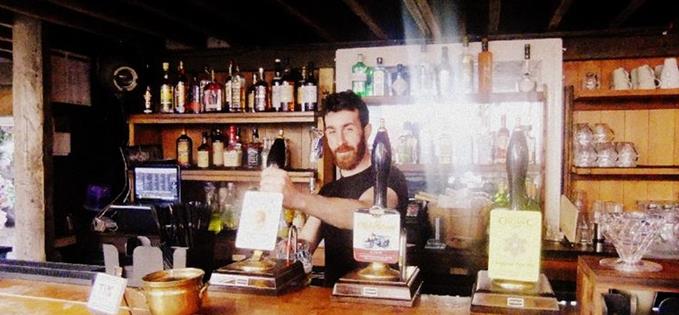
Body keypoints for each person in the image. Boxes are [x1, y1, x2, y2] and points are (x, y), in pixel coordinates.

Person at [260, 90, 409, 286]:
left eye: (348, 129)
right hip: (331, 304)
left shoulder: (387, 176)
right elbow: (303, 246)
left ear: (366, 131)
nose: (340, 141)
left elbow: (371, 214)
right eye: (331, 131)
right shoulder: (329, 192)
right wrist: (277, 248)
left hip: (378, 302)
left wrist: (297, 198)